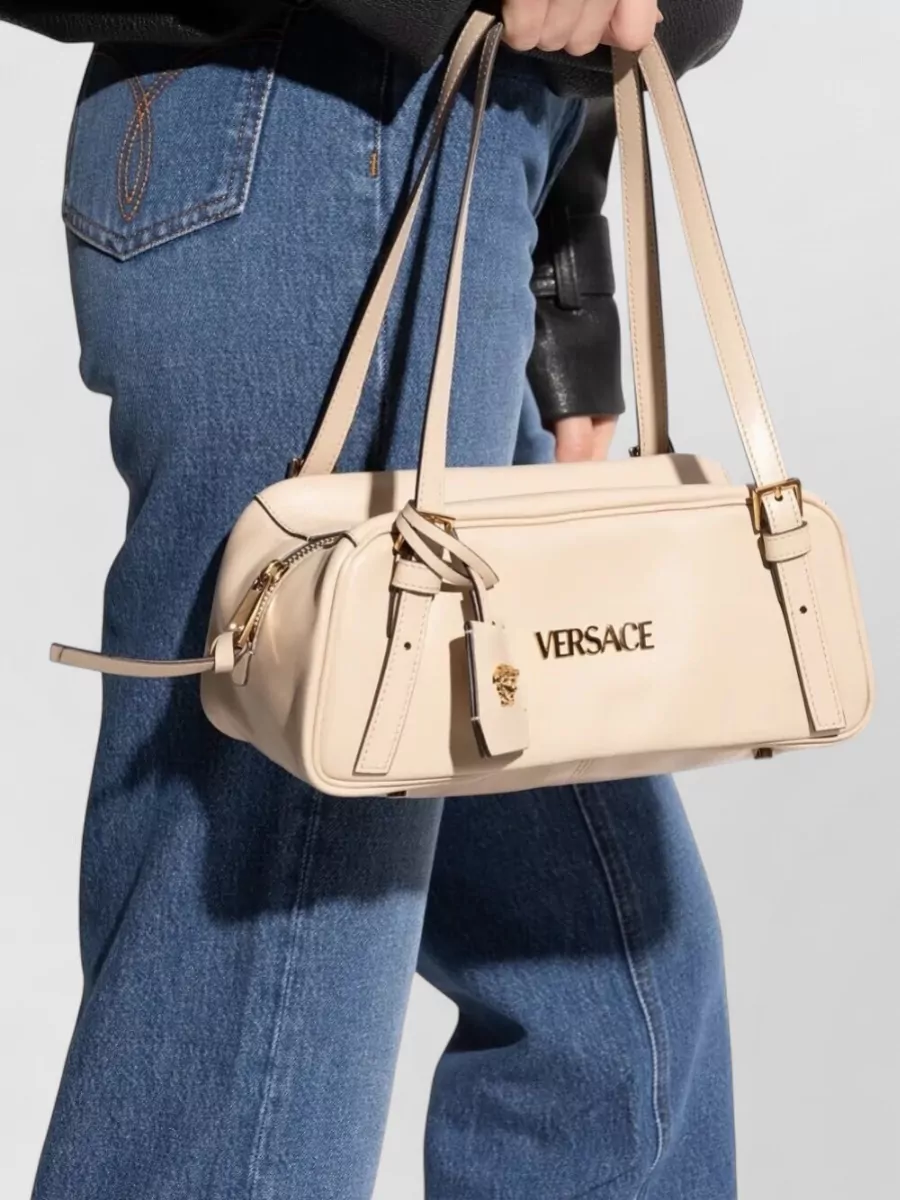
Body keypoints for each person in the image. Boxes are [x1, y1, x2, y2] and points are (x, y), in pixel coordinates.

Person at [3, 2, 742, 1196]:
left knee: (611, 1010)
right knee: (255, 1018)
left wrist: (561, 277)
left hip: (477, 165)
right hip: (318, 140)